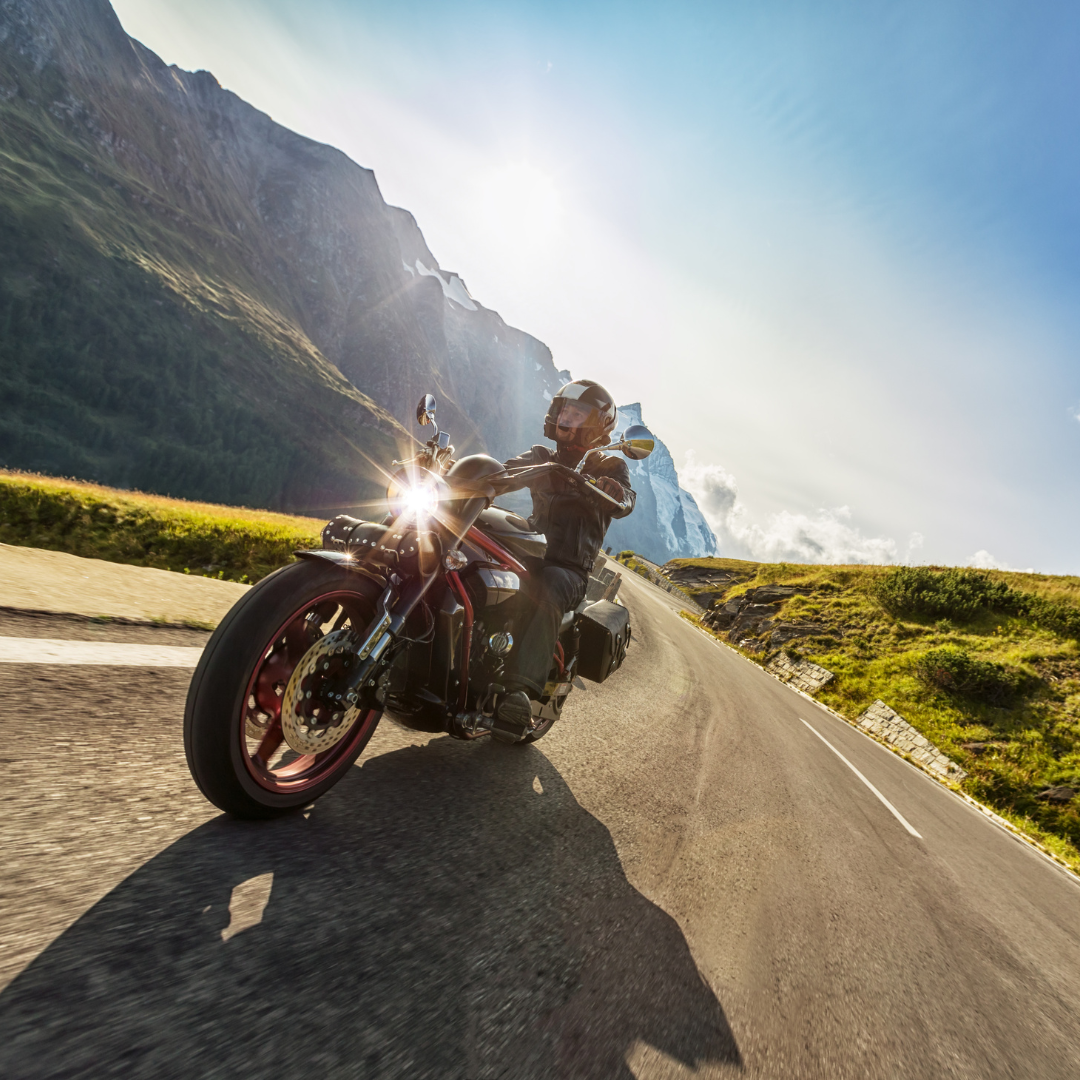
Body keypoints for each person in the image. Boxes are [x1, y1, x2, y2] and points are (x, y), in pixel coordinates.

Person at [492, 380, 636, 741]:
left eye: (577, 413)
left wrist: (615, 492)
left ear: (596, 423)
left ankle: (518, 693)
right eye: (565, 410)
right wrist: (475, 479)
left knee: (549, 585)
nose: (566, 417)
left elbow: (625, 500)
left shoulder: (610, 466)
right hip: (531, 552)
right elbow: (501, 473)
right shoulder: (542, 457)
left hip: (568, 571)